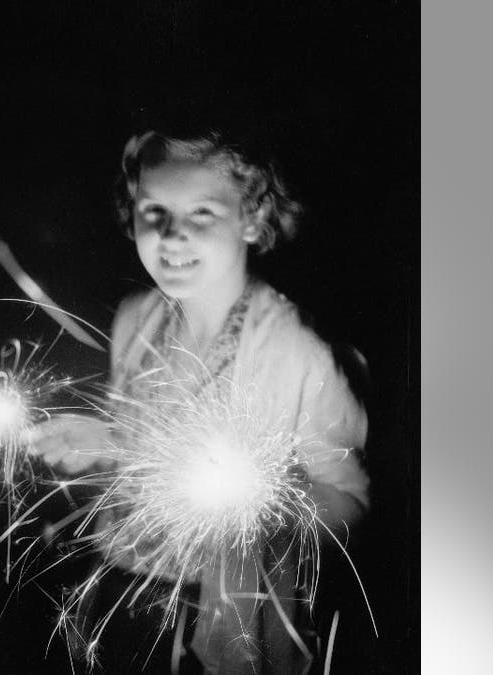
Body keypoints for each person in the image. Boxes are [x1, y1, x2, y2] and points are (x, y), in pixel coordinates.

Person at [31, 123, 369, 674]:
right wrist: (106, 443)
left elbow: (350, 503)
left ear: (253, 218)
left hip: (219, 621)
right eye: (153, 212)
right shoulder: (135, 319)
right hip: (119, 592)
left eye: (202, 215)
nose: (171, 236)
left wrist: (268, 494)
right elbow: (151, 462)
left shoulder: (293, 353)